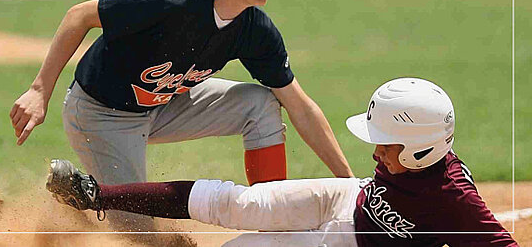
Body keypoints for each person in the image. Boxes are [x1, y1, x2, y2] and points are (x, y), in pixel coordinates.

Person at [10, 0, 354, 231]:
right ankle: (80, 196)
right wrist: (39, 90)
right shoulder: (172, 3)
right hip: (102, 114)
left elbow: (301, 107)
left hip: (164, 104)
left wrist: (350, 187)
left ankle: (272, 221)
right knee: (141, 234)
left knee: (261, 102)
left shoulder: (255, 30)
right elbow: (78, 16)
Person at [46, 77, 519, 247]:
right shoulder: (407, 158)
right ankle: (94, 194)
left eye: (386, 144)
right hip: (346, 197)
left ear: (421, 149)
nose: (375, 151)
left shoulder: (454, 201)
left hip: (348, 246)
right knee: (236, 203)